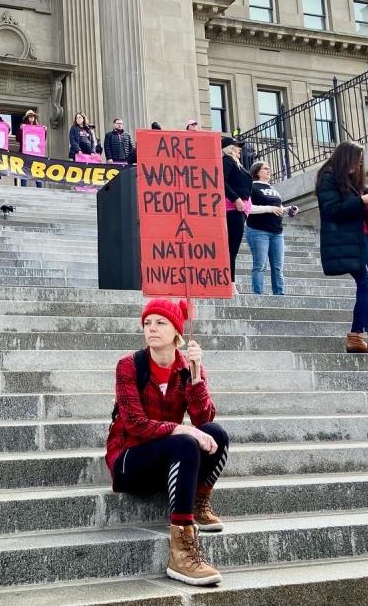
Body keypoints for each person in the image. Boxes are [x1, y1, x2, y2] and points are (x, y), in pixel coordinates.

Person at [106, 299, 228, 587]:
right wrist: (180, 431)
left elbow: (203, 419)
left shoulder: (187, 367)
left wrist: (196, 377)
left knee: (217, 433)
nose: (151, 329)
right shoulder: (129, 366)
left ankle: (198, 501)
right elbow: (135, 424)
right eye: (147, 323)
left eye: (160, 322)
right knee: (185, 441)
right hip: (129, 459)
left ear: (177, 332)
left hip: (165, 455)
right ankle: (181, 550)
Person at [315, 141, 368, 355]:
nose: (358, 166)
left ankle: (355, 337)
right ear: (345, 158)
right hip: (344, 241)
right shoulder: (328, 178)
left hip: (364, 239)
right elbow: (332, 211)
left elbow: (362, 215)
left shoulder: (355, 182)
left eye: (361, 162)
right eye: (356, 161)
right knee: (367, 284)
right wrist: (361, 201)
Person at [245, 162, 288, 295]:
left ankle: (279, 295)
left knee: (278, 268)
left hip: (277, 231)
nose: (269, 170)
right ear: (257, 171)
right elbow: (248, 208)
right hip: (258, 230)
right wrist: (270, 208)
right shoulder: (251, 186)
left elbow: (278, 208)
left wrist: (287, 209)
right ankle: (258, 296)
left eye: (269, 168)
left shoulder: (272, 188)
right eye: (265, 169)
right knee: (260, 266)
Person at [222, 135, 252, 294]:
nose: (239, 148)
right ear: (229, 148)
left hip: (239, 210)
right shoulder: (227, 161)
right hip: (232, 209)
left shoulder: (237, 164)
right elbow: (221, 181)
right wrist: (235, 199)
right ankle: (230, 283)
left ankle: (230, 282)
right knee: (231, 248)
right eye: (236, 146)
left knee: (233, 248)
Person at [17, 109, 45, 187]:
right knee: (25, 170)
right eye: (30, 116)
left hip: (36, 153)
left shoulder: (38, 127)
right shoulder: (23, 126)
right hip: (25, 153)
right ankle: (24, 187)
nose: (32, 117)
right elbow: (18, 139)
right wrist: (21, 130)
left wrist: (44, 131)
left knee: (37, 170)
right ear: (27, 118)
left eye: (33, 116)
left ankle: (40, 188)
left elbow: (42, 140)